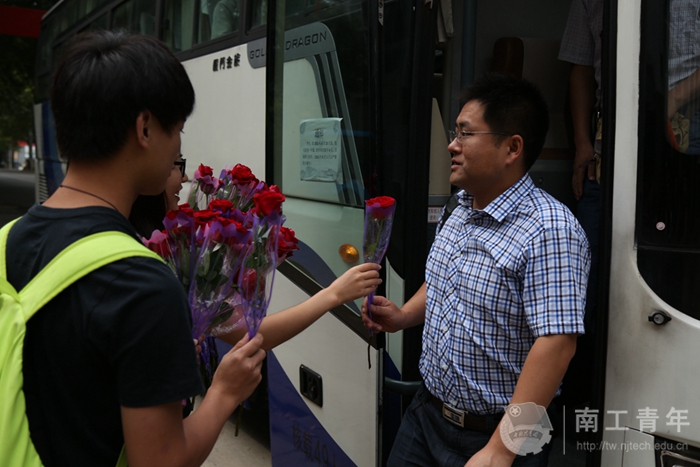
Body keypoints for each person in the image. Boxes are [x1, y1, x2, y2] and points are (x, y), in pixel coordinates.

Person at [4, 30, 267, 467]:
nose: (178, 147)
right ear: (144, 128)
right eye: (177, 129)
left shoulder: (6, 240)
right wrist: (224, 393)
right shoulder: (142, 283)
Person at [362, 73, 590, 467]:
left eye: (465, 133)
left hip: (498, 436)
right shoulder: (460, 207)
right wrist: (402, 317)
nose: (452, 145)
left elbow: (557, 345)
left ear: (512, 147)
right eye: (456, 133)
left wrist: (501, 450)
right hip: (426, 415)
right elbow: (443, 283)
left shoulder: (550, 229)